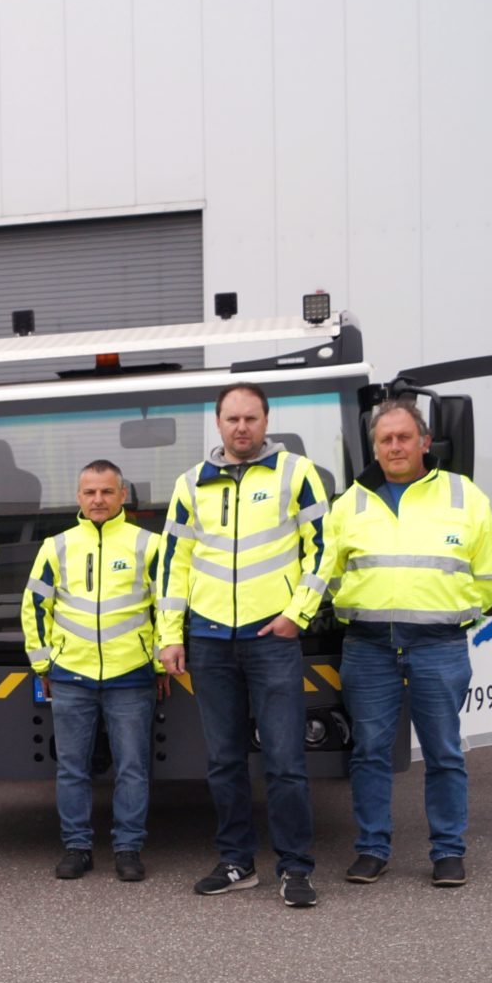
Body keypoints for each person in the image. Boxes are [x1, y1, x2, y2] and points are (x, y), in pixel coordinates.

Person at [284, 396, 492, 887]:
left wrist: (455, 612)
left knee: (444, 753)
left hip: (438, 645)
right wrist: (299, 616)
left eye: (404, 437)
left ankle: (448, 852)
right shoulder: (350, 503)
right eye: (386, 439)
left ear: (425, 442)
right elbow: (324, 573)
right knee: (369, 753)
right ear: (374, 447)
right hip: (369, 646)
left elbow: (488, 576)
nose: (395, 446)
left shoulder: (464, 496)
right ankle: (372, 849)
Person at [156, 382, 331, 908]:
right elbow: (174, 564)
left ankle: (295, 868)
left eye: (250, 418)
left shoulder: (296, 473)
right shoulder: (191, 484)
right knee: (224, 761)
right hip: (209, 640)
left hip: (271, 637)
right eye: (232, 419)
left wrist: (297, 614)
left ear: (266, 421)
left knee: (284, 761)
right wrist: (170, 635)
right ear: (218, 423)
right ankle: (237, 862)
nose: (241, 427)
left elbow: (324, 550)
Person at [21, 459, 162, 883]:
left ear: (123, 495)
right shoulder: (57, 546)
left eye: (106, 491)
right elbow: (34, 607)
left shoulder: (148, 545)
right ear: (78, 497)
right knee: (71, 768)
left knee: (132, 768)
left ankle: (128, 849)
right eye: (90, 492)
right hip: (70, 675)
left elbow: (167, 608)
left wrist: (159, 664)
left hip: (131, 675)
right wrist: (43, 663)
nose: (98, 499)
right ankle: (77, 848)